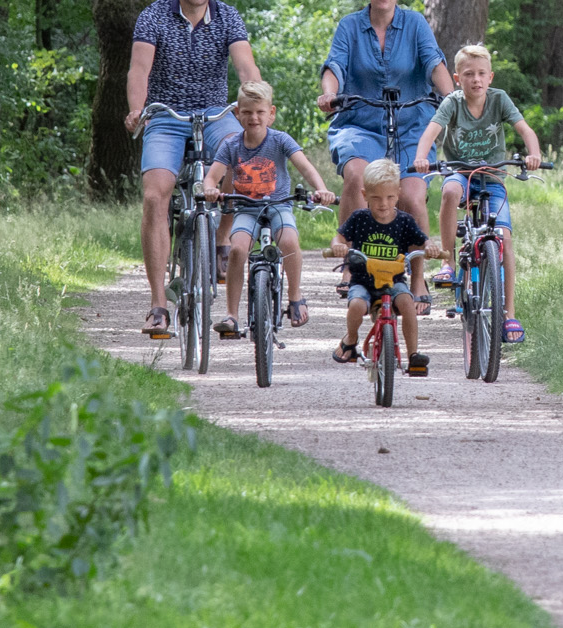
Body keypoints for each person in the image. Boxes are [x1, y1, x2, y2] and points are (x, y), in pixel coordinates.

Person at [124, 0, 260, 339]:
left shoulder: (228, 16)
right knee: (155, 196)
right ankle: (157, 305)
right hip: (166, 115)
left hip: (216, 113)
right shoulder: (154, 16)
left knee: (242, 161)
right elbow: (139, 69)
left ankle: (220, 239)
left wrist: (256, 101)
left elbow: (245, 66)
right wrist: (137, 109)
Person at [414, 42, 544, 343]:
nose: (476, 79)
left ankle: (509, 314)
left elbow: (525, 129)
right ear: (457, 78)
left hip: (492, 177)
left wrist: (534, 153)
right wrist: (422, 157)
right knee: (450, 191)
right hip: (460, 171)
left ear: (490, 77)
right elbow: (431, 132)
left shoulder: (499, 100)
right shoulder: (453, 102)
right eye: (469, 74)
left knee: (505, 239)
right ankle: (447, 262)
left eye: (482, 73)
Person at [317, 0, 453, 217]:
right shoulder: (349, 26)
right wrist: (329, 94)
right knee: (358, 177)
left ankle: (418, 247)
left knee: (411, 198)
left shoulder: (415, 23)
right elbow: (335, 66)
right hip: (359, 126)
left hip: (411, 128)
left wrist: (452, 98)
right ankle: (350, 242)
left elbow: (434, 64)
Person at [201, 82, 333, 338]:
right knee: (237, 249)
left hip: (278, 205)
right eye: (247, 112)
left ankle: (295, 297)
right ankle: (231, 314)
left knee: (289, 241)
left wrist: (321, 189)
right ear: (237, 114)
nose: (254, 118)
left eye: (260, 112)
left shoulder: (280, 140)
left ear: (271, 113)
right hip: (246, 209)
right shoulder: (231, 145)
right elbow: (213, 176)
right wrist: (210, 189)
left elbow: (305, 167)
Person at [332, 159, 435, 378]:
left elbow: (422, 240)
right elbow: (339, 237)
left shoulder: (405, 221)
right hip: (363, 282)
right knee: (356, 305)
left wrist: (430, 246)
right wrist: (338, 246)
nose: (383, 204)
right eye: (376, 197)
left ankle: (413, 354)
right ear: (365, 195)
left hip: (393, 282)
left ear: (398, 194)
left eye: (389, 197)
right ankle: (351, 339)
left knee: (407, 303)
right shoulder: (360, 218)